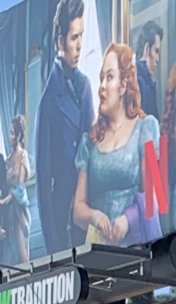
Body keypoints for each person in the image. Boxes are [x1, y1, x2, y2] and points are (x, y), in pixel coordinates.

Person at [72, 43, 161, 246]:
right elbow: (78, 210)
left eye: (109, 77)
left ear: (123, 85)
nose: (102, 86)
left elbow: (154, 198)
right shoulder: (89, 142)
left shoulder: (146, 128)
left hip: (137, 248)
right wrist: (94, 216)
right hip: (99, 252)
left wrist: (128, 220)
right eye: (101, 78)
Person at [34, 0, 93, 254]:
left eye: (82, 36)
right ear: (60, 42)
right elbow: (42, 181)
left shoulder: (85, 86)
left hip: (89, 209)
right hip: (63, 218)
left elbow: (93, 150)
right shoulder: (48, 102)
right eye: (73, 37)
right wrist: (54, 248)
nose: (79, 45)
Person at [0, 115, 33, 265]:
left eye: (13, 133)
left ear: (19, 135)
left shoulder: (23, 155)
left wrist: (5, 200)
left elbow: (20, 186)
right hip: (8, 212)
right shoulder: (6, 161)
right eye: (9, 133)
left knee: (21, 253)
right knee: (9, 252)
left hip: (19, 208)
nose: (10, 137)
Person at [135, 22, 162, 123]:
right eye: (156, 51)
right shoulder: (140, 83)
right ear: (147, 49)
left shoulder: (142, 80)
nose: (157, 59)